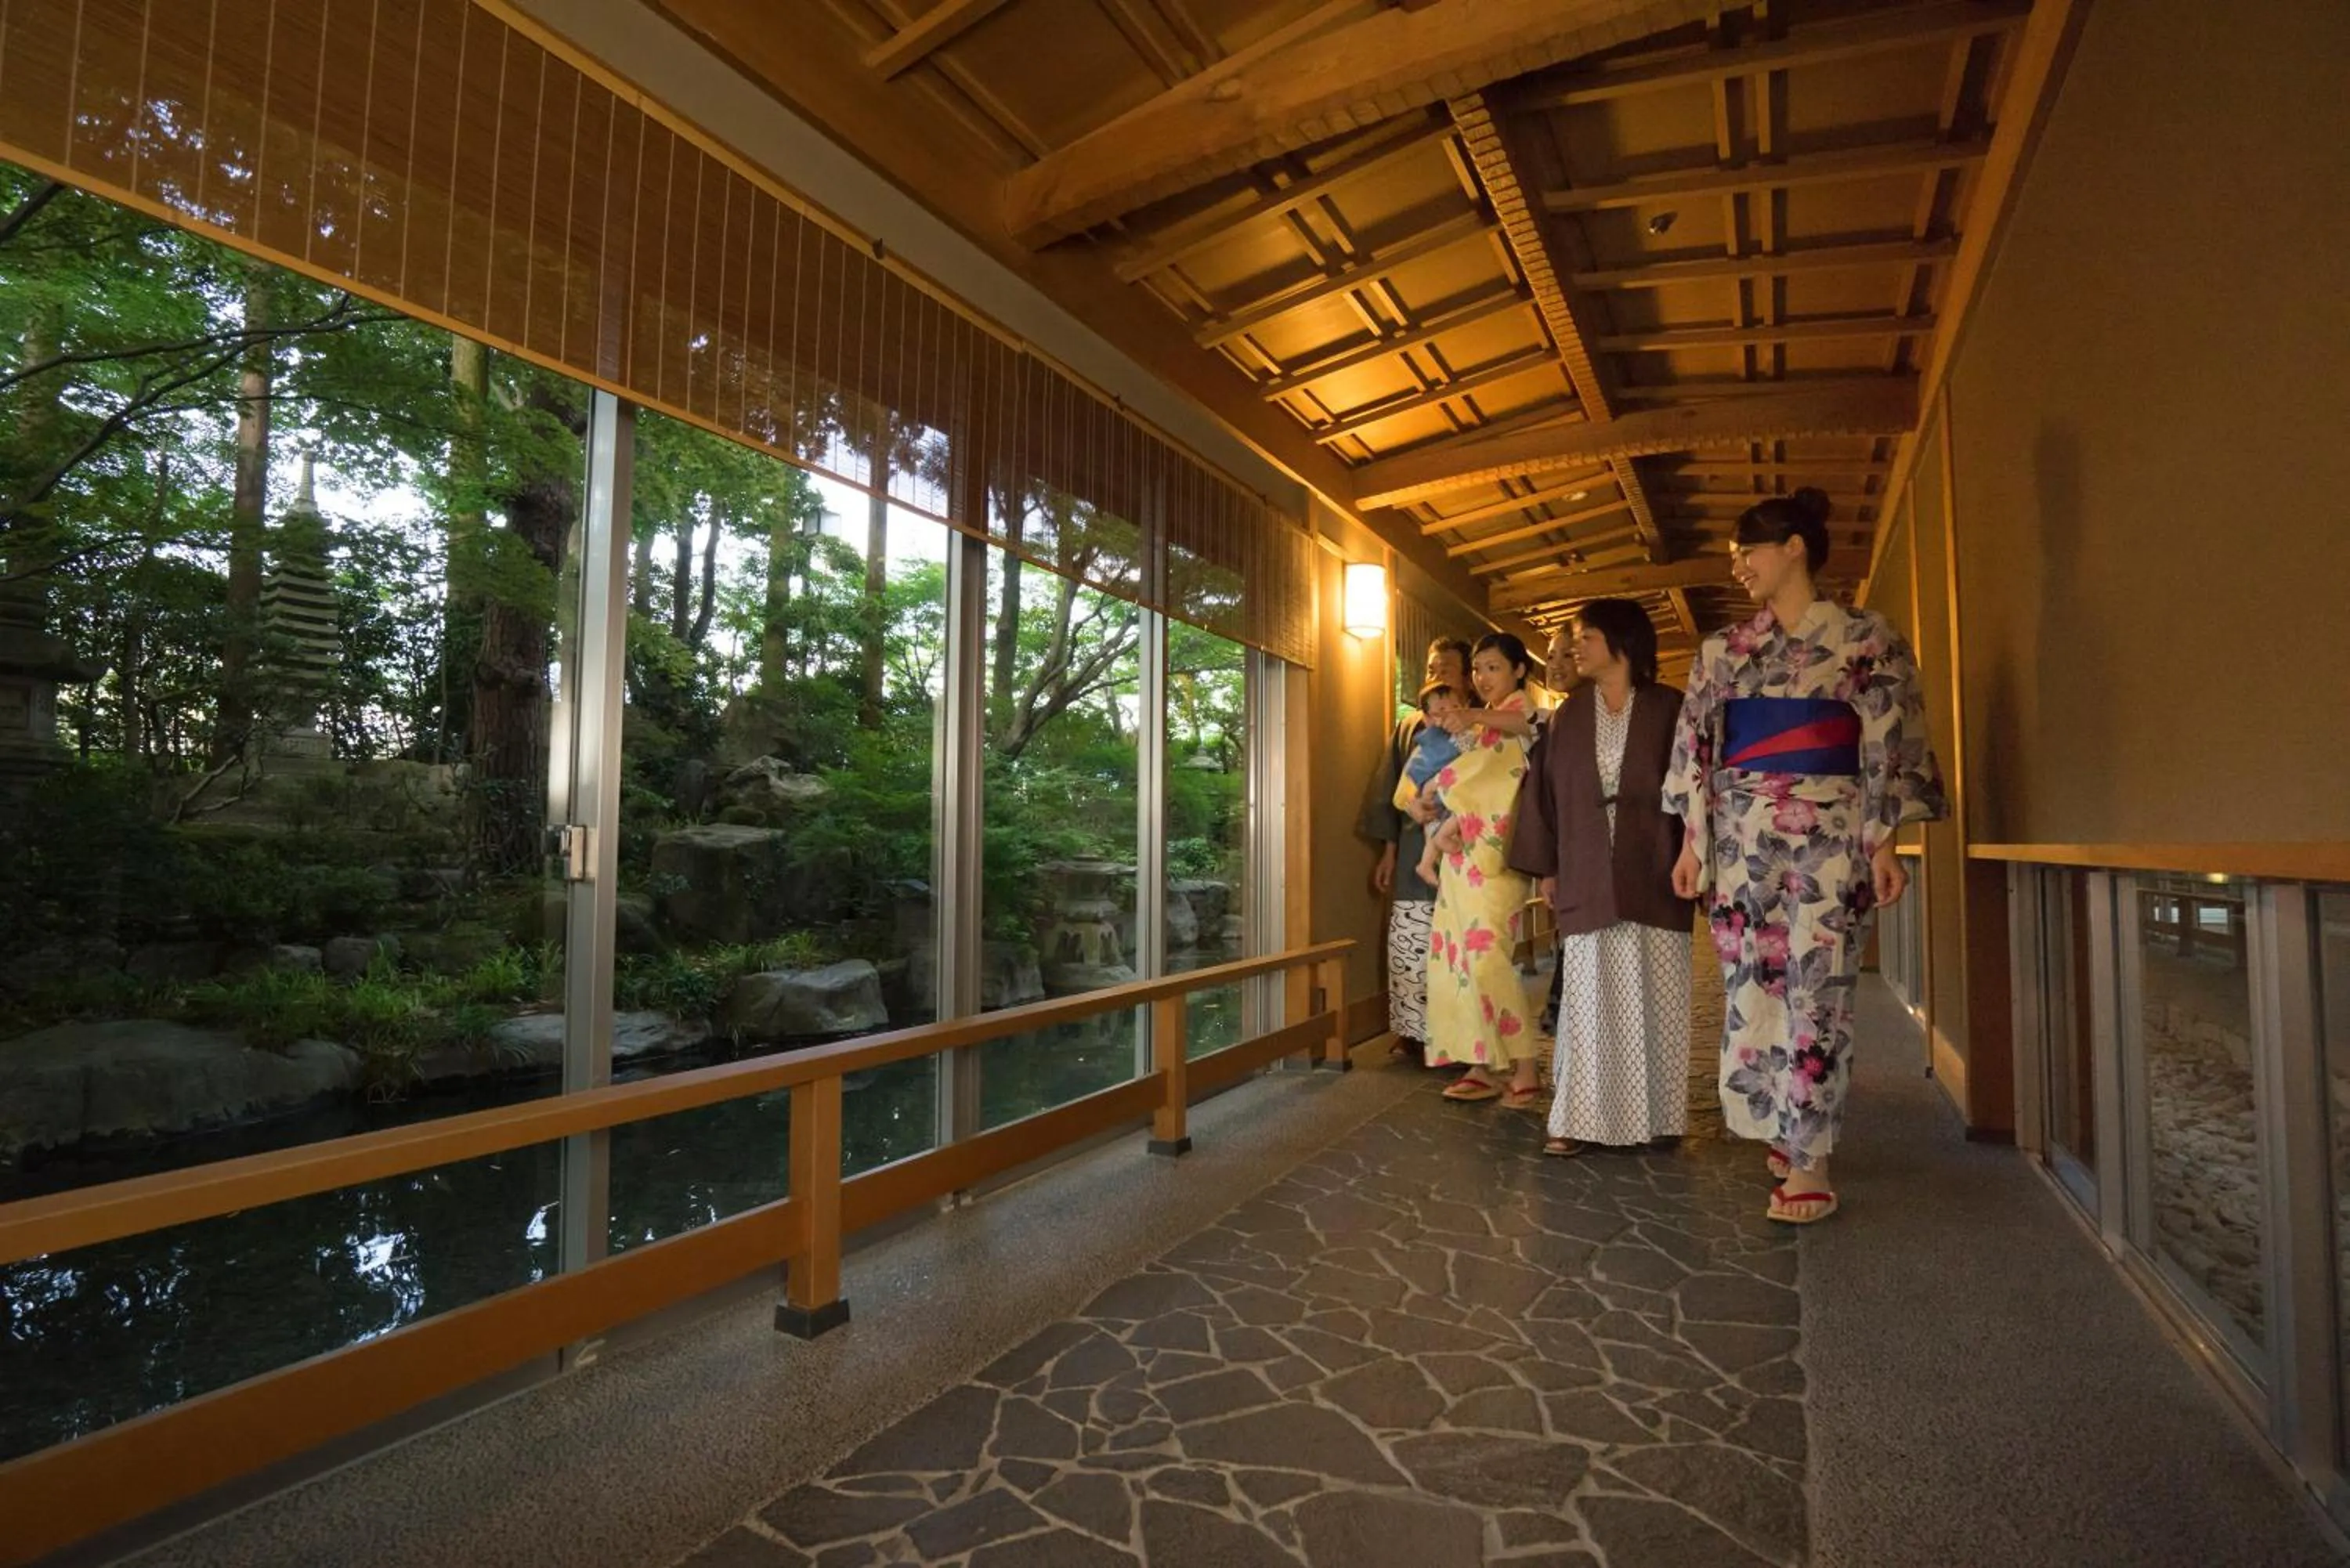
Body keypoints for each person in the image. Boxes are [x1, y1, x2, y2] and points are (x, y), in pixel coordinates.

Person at [1665, 487, 1944, 1223]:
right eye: (1733, 556)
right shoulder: (1723, 650)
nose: (1738, 567)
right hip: (1742, 841)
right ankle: (1781, 1125)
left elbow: (1888, 739)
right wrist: (1695, 844)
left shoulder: (1866, 638)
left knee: (1819, 988)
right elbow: (1696, 749)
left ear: (1794, 546)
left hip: (1830, 838)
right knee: (1752, 986)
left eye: (1747, 551)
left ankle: (1813, 1155)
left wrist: (1882, 841)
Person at [1509, 600, 1693, 1157]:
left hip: (1655, 862)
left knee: (1659, 995)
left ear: (1622, 642)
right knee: (1587, 998)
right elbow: (1545, 793)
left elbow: (1696, 789)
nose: (1575, 648)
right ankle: (1581, 1118)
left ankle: (1659, 1118)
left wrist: (1695, 853)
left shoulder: (1671, 708)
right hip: (1587, 864)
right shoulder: (1569, 714)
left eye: (1586, 637)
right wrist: (1549, 867)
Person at [1418, 632, 1542, 1107]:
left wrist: (1443, 783)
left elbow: (1498, 765)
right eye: (1478, 669)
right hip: (1463, 855)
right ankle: (1481, 1062)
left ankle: (1525, 1063)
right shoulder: (1482, 728)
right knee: (1459, 959)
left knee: (1489, 956)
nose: (1483, 677)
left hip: (1496, 854)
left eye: (1493, 667)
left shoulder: (1523, 715)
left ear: (1517, 671)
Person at [1362, 638, 1474, 1062]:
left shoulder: (1481, 726)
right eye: (1431, 667)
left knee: (1461, 945)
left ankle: (1460, 1040)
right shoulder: (1410, 725)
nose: (1437, 673)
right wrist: (1389, 851)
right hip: (1413, 846)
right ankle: (1412, 1033)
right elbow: (1392, 784)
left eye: (1447, 667)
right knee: (1410, 941)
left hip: (1465, 849)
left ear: (1467, 677)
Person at [1534, 627, 1578, 1036]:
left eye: (1568, 655)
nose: (1557, 665)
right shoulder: (1556, 719)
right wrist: (1550, 865)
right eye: (1550, 657)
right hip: (1565, 852)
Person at [1394, 683, 1469, 887]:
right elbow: (1403, 793)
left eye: (1455, 706)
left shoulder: (1476, 731)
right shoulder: (1425, 749)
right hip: (1437, 813)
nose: (1449, 714)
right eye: (1441, 710)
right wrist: (1414, 804)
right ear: (1427, 717)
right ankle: (1427, 864)